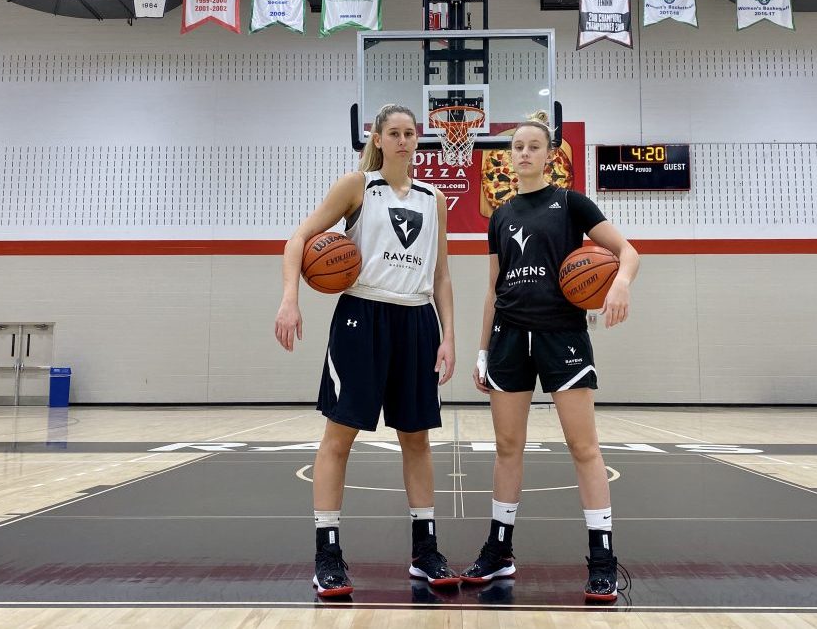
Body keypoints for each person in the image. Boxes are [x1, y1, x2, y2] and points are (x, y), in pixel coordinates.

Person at [274, 103, 459, 597]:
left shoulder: (434, 198)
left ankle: (425, 551)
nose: (402, 140)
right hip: (362, 316)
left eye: (409, 133)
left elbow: (441, 276)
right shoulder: (357, 186)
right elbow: (298, 240)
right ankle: (328, 554)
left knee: (417, 439)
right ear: (377, 138)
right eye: (393, 133)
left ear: (418, 140)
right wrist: (290, 299)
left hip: (417, 319)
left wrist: (448, 334)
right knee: (340, 438)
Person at [460, 111, 640, 602]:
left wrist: (619, 284)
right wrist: (480, 351)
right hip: (509, 337)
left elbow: (628, 252)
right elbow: (493, 290)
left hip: (562, 334)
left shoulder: (572, 203)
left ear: (550, 155)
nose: (523, 153)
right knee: (506, 449)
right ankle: (499, 550)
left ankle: (602, 558)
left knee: (584, 448)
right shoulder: (499, 216)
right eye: (516, 146)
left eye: (532, 146)